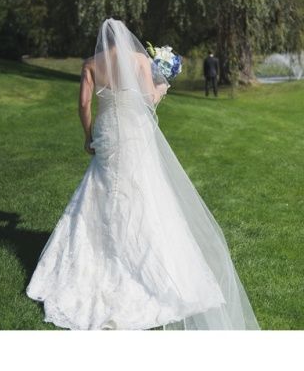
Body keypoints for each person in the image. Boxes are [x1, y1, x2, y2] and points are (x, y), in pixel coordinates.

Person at [26, 18, 258, 330]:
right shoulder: (139, 60)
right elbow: (148, 101)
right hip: (134, 132)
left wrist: (87, 135)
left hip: (107, 130)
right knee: (143, 188)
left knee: (102, 186)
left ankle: (97, 256)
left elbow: (83, 104)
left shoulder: (90, 64)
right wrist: (162, 87)